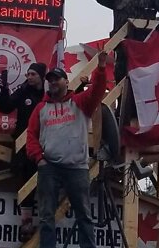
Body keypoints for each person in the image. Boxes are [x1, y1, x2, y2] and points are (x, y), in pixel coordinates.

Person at [26, 52, 108, 248]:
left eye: (57, 79)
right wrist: (39, 159)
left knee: (84, 216)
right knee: (46, 216)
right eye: (50, 80)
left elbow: (97, 90)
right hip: (49, 167)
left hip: (77, 167)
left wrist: (101, 68)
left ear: (66, 81)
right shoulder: (40, 108)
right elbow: (31, 137)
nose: (53, 82)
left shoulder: (80, 103)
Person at [0, 62, 47, 241]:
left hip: (47, 144)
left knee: (46, 182)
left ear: (41, 76)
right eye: (28, 74)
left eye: (32, 74)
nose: (29, 77)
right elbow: (5, 107)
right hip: (24, 144)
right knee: (25, 180)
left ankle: (47, 223)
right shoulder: (24, 90)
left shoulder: (49, 94)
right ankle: (26, 222)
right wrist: (4, 88)